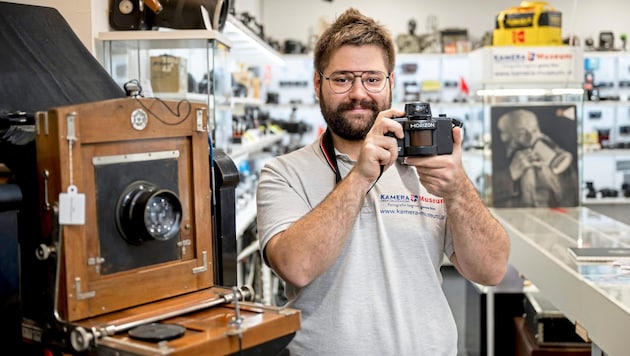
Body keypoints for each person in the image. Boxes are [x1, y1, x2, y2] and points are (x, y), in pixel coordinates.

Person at [256, 8, 510, 355]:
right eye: (342, 79)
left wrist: (458, 189)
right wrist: (361, 175)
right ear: (318, 83)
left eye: (372, 79)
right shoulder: (284, 172)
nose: (359, 93)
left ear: (391, 81)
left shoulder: (431, 169)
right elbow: (296, 267)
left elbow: (492, 270)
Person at [494, 108, 579, 208]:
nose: (531, 138)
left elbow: (571, 197)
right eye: (522, 133)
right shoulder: (495, 159)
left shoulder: (552, 151)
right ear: (505, 136)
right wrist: (510, 174)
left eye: (534, 130)